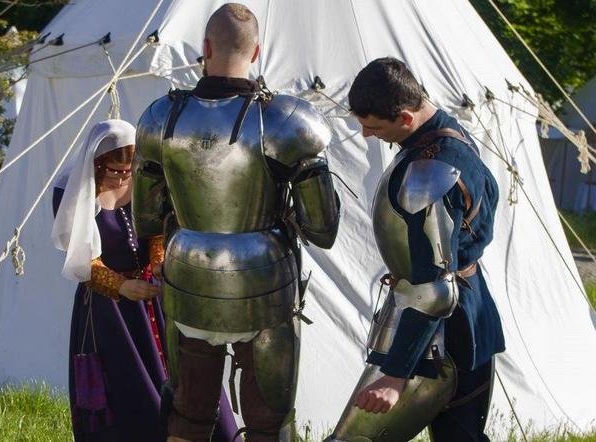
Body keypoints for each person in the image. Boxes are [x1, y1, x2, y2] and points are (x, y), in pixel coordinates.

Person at [132, 4, 341, 441]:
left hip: (188, 277)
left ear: (204, 48)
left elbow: (147, 218)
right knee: (268, 423)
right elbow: (323, 229)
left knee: (188, 415)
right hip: (261, 286)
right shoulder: (284, 120)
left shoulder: (161, 117)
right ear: (258, 51)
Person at [327, 58, 504, 441]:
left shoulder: (432, 170)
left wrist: (395, 375)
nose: (367, 135)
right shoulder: (445, 134)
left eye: (373, 126)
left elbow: (434, 288)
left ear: (406, 117)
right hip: (463, 312)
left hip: (446, 325)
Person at [51, 120, 239, 441]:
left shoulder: (146, 181)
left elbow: (157, 229)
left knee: (192, 380)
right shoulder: (71, 192)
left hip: (157, 297)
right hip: (109, 314)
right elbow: (81, 260)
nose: (122, 178)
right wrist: (121, 286)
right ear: (97, 164)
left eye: (128, 171)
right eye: (114, 171)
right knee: (132, 398)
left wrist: (158, 260)